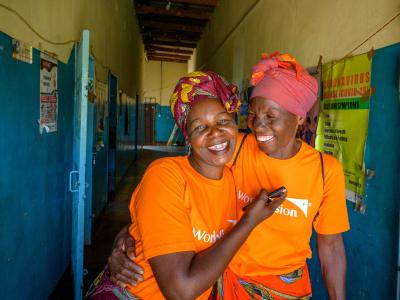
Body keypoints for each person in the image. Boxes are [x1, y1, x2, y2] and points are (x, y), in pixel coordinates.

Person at [107, 53, 350, 299]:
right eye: (253, 115)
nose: (258, 126)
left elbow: (331, 247)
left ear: (299, 117)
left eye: (271, 117)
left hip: (287, 287)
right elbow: (184, 198)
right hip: (227, 281)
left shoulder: (324, 170)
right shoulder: (236, 149)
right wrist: (129, 235)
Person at [86, 71, 286, 300]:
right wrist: (249, 221)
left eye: (223, 121)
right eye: (200, 127)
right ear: (188, 137)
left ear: (235, 126)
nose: (215, 133)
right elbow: (181, 291)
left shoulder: (234, 179)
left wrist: (126, 233)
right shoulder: (165, 175)